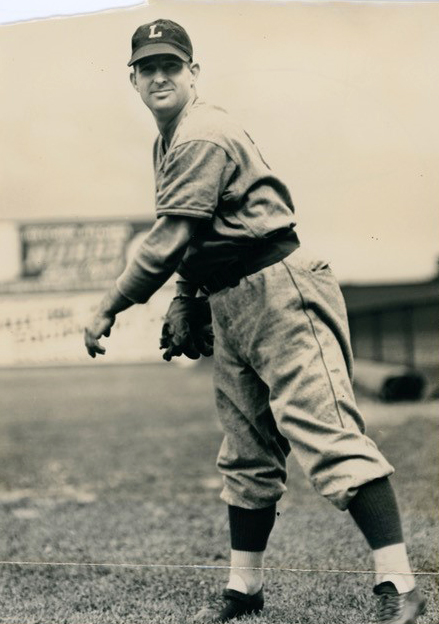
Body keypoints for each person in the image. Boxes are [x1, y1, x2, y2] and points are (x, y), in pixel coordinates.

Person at [84, 19, 427, 624]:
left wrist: (110, 303)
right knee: (245, 452)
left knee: (326, 433)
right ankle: (245, 590)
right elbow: (197, 234)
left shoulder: (200, 135)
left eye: (172, 65)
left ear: (194, 72)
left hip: (279, 288)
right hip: (232, 295)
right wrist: (189, 296)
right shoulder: (168, 141)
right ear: (133, 79)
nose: (160, 75)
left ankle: (400, 584)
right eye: (148, 67)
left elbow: (170, 237)